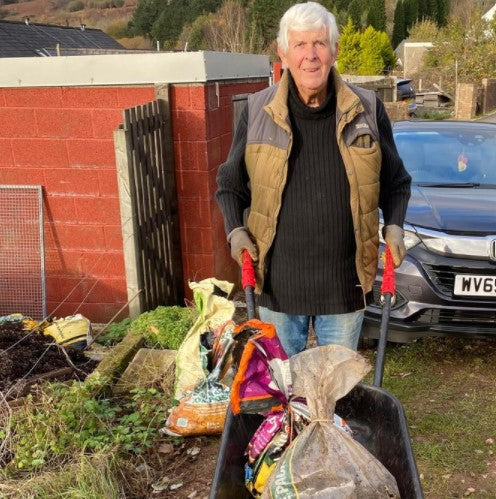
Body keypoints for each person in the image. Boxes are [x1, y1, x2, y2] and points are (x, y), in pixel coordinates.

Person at [216, 1, 411, 357]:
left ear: (334, 50)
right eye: (300, 45)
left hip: (344, 287)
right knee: (285, 395)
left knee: (334, 394)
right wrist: (235, 230)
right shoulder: (257, 111)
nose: (311, 55)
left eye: (319, 43)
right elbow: (230, 184)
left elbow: (396, 182)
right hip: (278, 287)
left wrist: (395, 226)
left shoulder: (367, 108)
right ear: (283, 52)